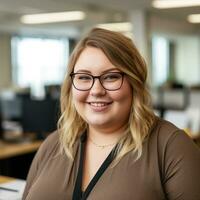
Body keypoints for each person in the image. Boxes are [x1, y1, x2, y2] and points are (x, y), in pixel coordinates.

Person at [22, 28, 200, 200]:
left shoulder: (171, 147)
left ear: (134, 83)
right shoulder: (53, 144)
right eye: (84, 77)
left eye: (111, 77)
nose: (96, 90)